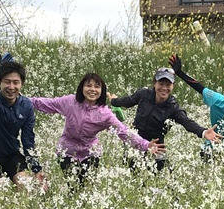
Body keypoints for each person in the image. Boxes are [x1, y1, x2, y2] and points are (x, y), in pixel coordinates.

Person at [31, 72, 164, 183]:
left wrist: (146, 145)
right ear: (82, 88)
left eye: (97, 86)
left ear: (102, 91)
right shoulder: (70, 102)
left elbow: (123, 131)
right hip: (67, 151)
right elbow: (48, 104)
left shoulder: (104, 113)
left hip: (90, 153)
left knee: (85, 186)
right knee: (72, 186)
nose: (92, 89)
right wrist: (25, 101)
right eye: (88, 85)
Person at [109, 66, 221, 171]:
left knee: (161, 175)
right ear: (154, 83)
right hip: (136, 140)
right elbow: (126, 101)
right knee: (132, 172)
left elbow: (187, 122)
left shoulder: (173, 107)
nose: (164, 88)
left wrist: (203, 132)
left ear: (173, 86)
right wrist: (113, 100)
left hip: (157, 146)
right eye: (161, 84)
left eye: (168, 85)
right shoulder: (144, 94)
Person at [0, 53, 44, 186]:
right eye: (7, 82)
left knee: (27, 185)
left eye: (16, 82)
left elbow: (28, 139)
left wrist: (36, 168)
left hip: (12, 155)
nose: (11, 87)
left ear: (21, 84)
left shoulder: (26, 105)